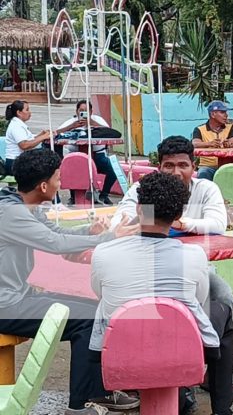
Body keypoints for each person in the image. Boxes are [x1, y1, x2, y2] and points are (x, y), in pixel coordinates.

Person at [0, 148, 139, 415]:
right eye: (58, 179)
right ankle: (82, 405)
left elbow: (55, 232)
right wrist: (110, 238)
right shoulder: (11, 214)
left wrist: (90, 231)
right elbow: (54, 243)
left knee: (96, 310)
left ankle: (99, 391)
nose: (60, 184)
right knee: (87, 321)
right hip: (6, 305)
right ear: (43, 185)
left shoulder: (25, 205)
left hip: (19, 295)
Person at [92, 172, 233, 415]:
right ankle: (221, 409)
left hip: (116, 349)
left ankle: (182, 400)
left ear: (139, 209)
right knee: (220, 309)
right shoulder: (193, 256)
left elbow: (100, 293)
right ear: (179, 215)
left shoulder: (103, 252)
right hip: (182, 347)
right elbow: (199, 301)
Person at [57, 100, 118, 205]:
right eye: (81, 110)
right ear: (76, 111)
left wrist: (92, 123)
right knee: (72, 170)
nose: (84, 113)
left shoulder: (98, 120)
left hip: (97, 154)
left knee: (113, 171)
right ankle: (73, 196)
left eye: (86, 110)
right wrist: (72, 126)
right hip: (75, 155)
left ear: (91, 112)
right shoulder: (71, 121)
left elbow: (112, 132)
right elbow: (56, 133)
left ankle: (104, 195)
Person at [192, 100, 233, 181]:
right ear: (213, 114)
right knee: (203, 172)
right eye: (222, 112)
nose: (226, 115)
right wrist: (209, 144)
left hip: (226, 166)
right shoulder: (199, 129)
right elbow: (194, 143)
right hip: (207, 166)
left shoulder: (230, 127)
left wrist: (229, 144)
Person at [4, 100, 51, 175]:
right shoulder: (16, 126)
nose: (30, 112)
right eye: (27, 110)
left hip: (20, 161)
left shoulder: (19, 125)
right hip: (15, 163)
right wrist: (42, 137)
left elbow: (30, 140)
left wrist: (41, 135)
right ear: (19, 112)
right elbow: (24, 145)